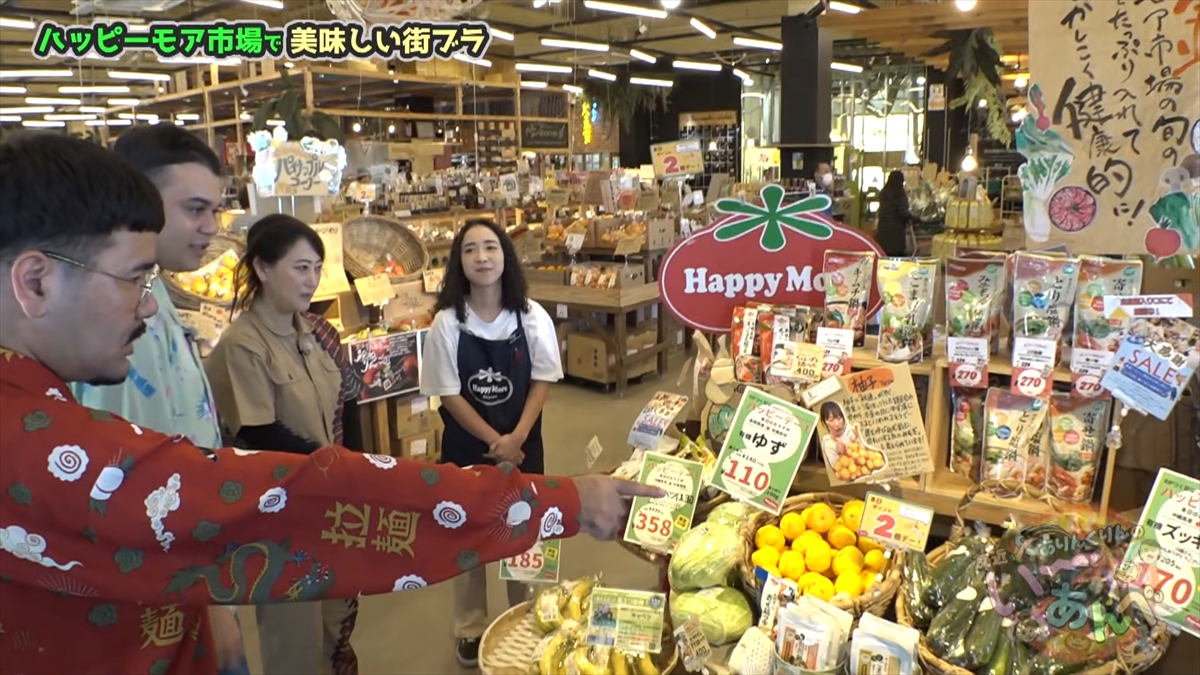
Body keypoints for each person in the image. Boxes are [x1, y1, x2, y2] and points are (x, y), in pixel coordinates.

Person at [0, 131, 662, 675]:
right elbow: (305, 499)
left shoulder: (41, 404)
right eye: (133, 277)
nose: (148, 303)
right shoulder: (42, 450)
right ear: (35, 281)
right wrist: (567, 501)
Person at [65, 125, 248, 675]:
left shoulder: (154, 294)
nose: (211, 229)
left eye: (217, 211)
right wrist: (205, 601)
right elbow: (136, 489)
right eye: (195, 209)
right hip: (168, 604)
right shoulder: (116, 326)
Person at [203, 215, 360, 675]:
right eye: (300, 268)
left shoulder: (314, 333)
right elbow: (261, 434)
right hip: (280, 518)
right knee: (293, 641)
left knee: (336, 628)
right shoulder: (241, 346)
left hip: (331, 507)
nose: (311, 280)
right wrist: (339, 469)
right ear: (264, 269)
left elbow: (345, 405)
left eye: (316, 268)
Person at [419, 218, 562, 667]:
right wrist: (494, 440)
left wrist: (516, 436)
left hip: (523, 443)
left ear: (505, 257)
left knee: (522, 531)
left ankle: (527, 612)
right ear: (459, 262)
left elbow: (542, 379)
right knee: (468, 535)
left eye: (491, 248)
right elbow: (448, 392)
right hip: (466, 447)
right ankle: (470, 626)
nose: (482, 258)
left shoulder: (531, 315)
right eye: (471, 250)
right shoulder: (446, 323)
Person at [875, 170, 916, 257]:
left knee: (885, 256)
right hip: (895, 232)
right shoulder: (899, 194)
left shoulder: (884, 192)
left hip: (883, 230)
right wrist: (915, 218)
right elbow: (902, 212)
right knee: (896, 257)